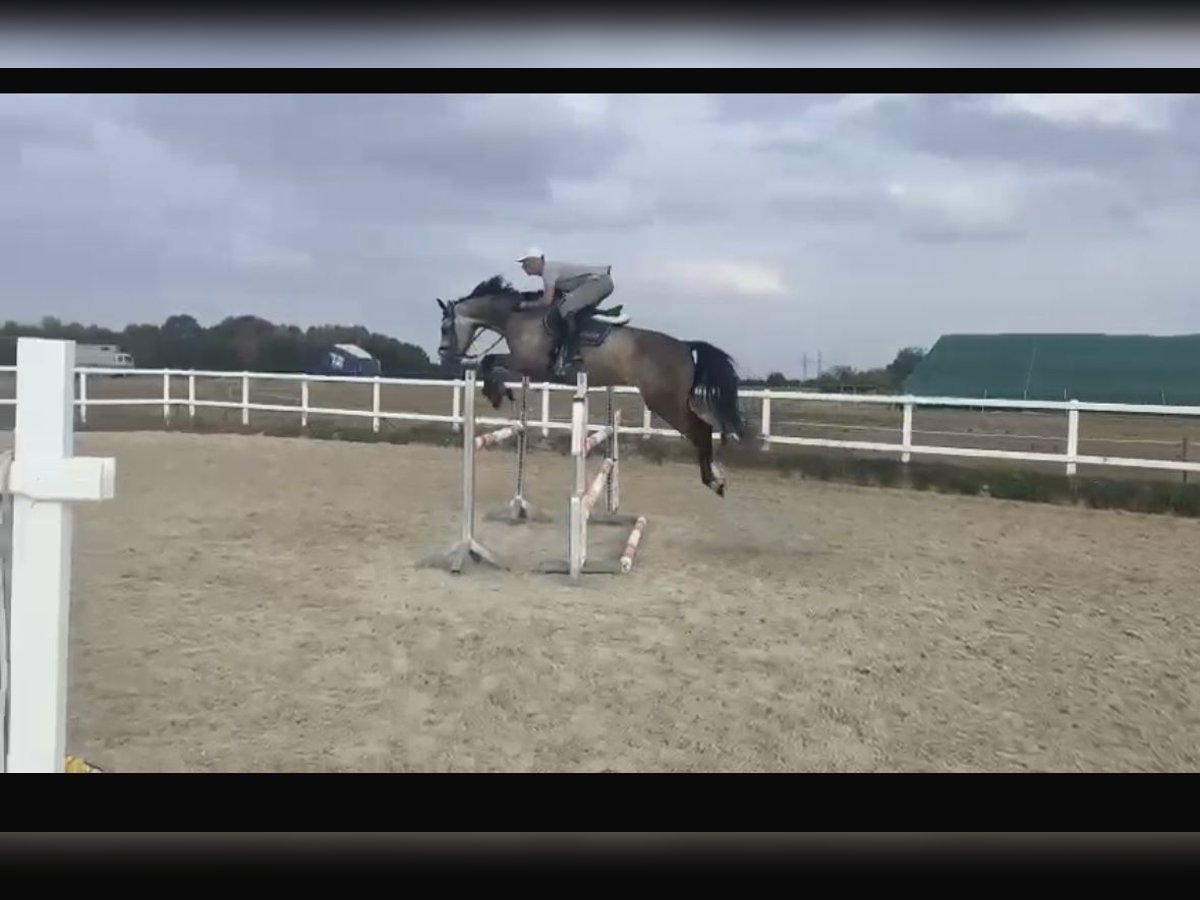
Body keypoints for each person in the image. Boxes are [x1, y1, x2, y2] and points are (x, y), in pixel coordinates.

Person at [517, 247, 613, 377]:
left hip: (599, 281)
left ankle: (573, 355)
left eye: (526, 263)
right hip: (600, 281)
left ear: (538, 261)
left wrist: (526, 305)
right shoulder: (550, 270)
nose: (523, 267)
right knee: (570, 308)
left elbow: (546, 301)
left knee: (566, 307)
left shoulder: (548, 271)